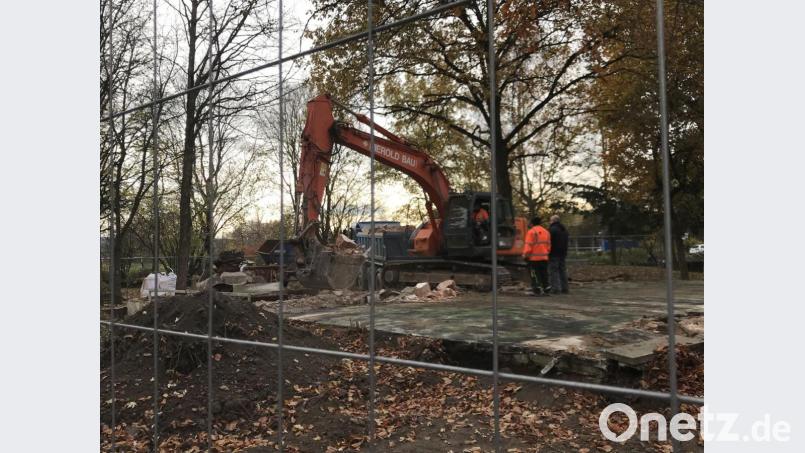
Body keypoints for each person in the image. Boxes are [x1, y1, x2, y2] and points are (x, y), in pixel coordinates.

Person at [522, 216, 551, 296]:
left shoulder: (531, 232)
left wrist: (525, 255)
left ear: (532, 223)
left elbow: (528, 246)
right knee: (544, 273)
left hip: (533, 258)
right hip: (544, 257)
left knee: (534, 274)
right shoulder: (546, 232)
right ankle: (546, 288)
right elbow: (548, 246)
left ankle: (537, 289)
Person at [548, 214, 569, 294]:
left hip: (554, 253)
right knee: (562, 270)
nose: (550, 222)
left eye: (550, 220)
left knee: (554, 271)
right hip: (563, 253)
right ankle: (565, 288)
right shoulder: (564, 230)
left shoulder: (552, 230)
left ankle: (555, 288)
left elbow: (549, 241)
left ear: (553, 221)